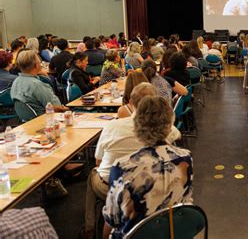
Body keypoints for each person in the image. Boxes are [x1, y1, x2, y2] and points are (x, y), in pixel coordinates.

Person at [84, 83, 181, 238]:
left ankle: (89, 227)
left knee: (93, 174)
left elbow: (98, 161)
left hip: (114, 187)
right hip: (158, 189)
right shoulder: (174, 139)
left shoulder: (112, 128)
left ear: (131, 102)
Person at [102, 96, 193, 238]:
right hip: (172, 233)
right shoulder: (185, 158)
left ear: (137, 125)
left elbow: (112, 219)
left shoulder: (123, 167)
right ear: (169, 125)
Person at [11, 50, 67, 114]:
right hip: (45, 119)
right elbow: (57, 107)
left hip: (27, 119)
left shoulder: (16, 82)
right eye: (40, 63)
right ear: (37, 65)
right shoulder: (37, 85)